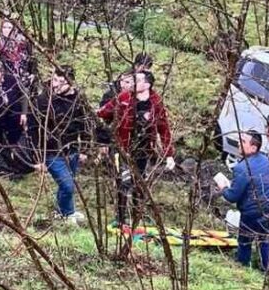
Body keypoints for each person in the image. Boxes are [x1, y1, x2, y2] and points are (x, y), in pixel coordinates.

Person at [98, 70, 175, 226]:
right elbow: (103, 113)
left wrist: (169, 154)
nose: (133, 83)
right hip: (123, 149)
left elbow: (164, 128)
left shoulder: (156, 102)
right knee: (123, 181)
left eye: (138, 80)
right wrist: (105, 135)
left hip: (144, 150)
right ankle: (120, 219)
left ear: (147, 84)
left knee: (139, 184)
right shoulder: (123, 98)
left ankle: (136, 217)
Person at [32, 67, 108, 224]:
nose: (56, 85)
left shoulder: (78, 100)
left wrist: (84, 150)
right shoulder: (44, 99)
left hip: (71, 149)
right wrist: (37, 157)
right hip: (51, 150)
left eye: (61, 82)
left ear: (71, 83)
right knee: (67, 185)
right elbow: (34, 129)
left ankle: (61, 212)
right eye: (54, 80)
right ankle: (68, 213)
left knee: (67, 183)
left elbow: (85, 125)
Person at [218, 131, 269, 270]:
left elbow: (232, 196)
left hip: (251, 211)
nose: (239, 143)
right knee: (264, 241)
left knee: (244, 241)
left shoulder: (242, 168)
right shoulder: (266, 161)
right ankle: (266, 268)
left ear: (254, 147)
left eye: (243, 141)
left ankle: (242, 268)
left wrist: (223, 188)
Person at [0, 17, 36, 84]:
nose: (6, 30)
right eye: (4, 27)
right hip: (4, 80)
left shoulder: (23, 42)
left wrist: (32, 74)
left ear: (15, 28)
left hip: (24, 79)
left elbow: (32, 59)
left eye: (9, 27)